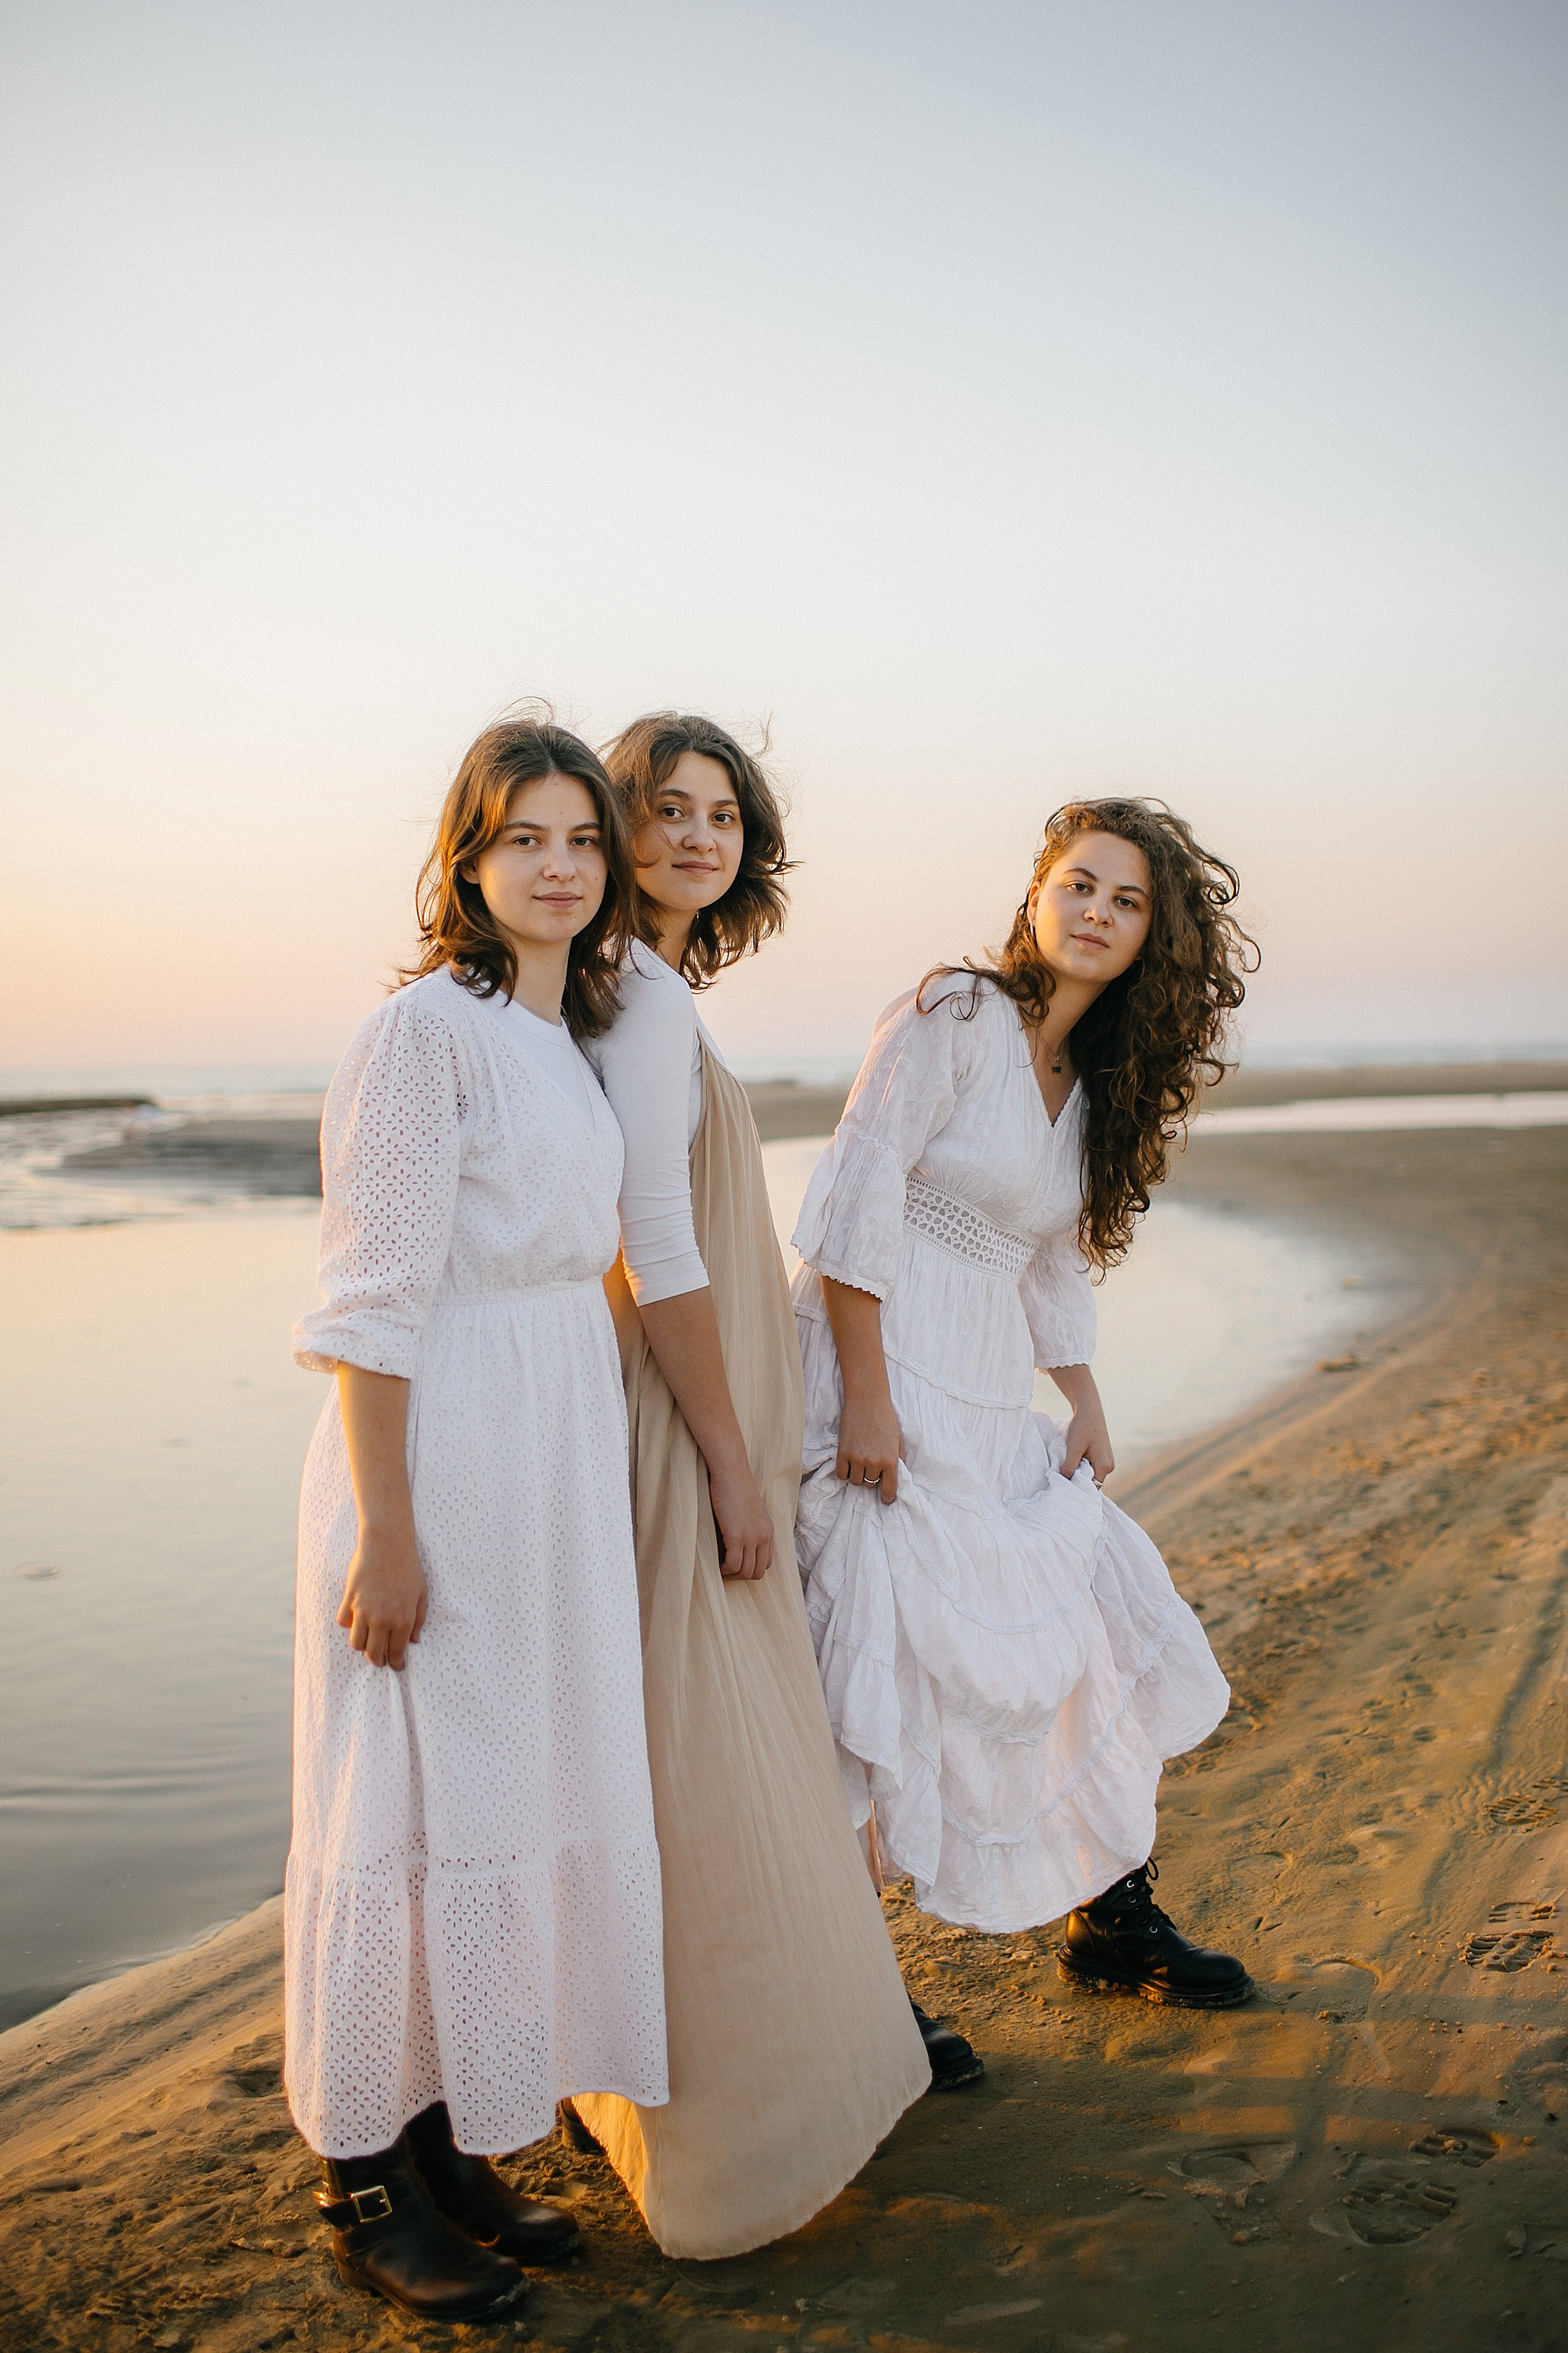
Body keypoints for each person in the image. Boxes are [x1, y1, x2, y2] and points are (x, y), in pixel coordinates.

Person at [285, 716, 668, 2323]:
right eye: (529, 840)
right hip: (436, 1448)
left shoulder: (560, 1032)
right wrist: (387, 1527)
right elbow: (369, 1300)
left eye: (585, 840)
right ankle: (363, 2177)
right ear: (468, 858)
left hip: (549, 1448)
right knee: (400, 1799)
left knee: (501, 1791)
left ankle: (446, 2138)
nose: (561, 867)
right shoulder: (420, 1031)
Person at [567, 713, 940, 2265]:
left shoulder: (630, 988)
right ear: (605, 821)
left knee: (687, 1749)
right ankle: (736, 2138)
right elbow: (650, 1246)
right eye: (663, 809)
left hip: (678, 1416)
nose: (697, 837)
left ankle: (662, 2098)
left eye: (723, 815)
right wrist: (732, 1464)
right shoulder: (629, 997)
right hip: (675, 1429)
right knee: (711, 1762)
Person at [792, 798, 1257, 2007]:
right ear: (1034, 895)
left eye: (1125, 900)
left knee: (1082, 1612)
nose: (1094, 913)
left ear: (1152, 938)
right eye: (1078, 885)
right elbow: (855, 1196)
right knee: (872, 1668)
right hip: (869, 1371)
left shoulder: (1090, 1085)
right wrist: (865, 1405)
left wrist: (1085, 1398)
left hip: (983, 1388)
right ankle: (860, 2000)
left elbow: (1045, 1258)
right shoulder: (953, 1015)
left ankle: (1109, 1917)